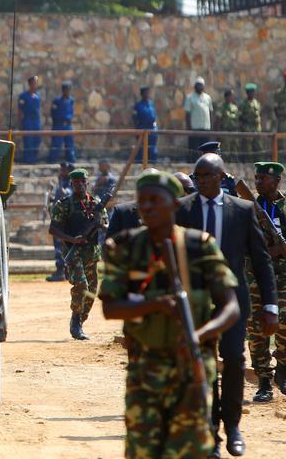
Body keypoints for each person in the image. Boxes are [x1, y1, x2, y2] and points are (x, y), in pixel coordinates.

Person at [100, 170, 240, 459]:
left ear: (176, 205)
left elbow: (231, 307)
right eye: (142, 202)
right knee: (143, 452)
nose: (147, 207)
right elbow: (110, 307)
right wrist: (157, 304)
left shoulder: (199, 247)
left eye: (155, 200)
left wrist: (199, 334)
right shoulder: (125, 247)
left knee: (190, 450)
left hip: (191, 370)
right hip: (146, 372)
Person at [175, 153, 278, 458]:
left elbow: (260, 260)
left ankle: (232, 425)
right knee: (204, 367)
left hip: (233, 301)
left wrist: (270, 304)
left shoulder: (242, 210)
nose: (201, 181)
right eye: (197, 177)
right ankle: (211, 434)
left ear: (221, 177)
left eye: (207, 176)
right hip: (196, 304)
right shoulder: (183, 210)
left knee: (233, 359)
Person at [49, 168, 108, 340]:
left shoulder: (96, 204)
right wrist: (72, 239)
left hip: (91, 253)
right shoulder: (65, 204)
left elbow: (106, 225)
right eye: (76, 182)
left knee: (91, 290)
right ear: (72, 184)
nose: (79, 185)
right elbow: (53, 229)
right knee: (81, 286)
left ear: (87, 183)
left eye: (82, 182)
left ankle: (80, 320)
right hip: (73, 253)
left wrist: (99, 224)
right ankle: (75, 323)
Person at [245, 162, 286, 403]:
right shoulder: (249, 208)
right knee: (256, 329)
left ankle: (282, 365)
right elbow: (246, 247)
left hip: (283, 276)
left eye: (263, 179)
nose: (258, 182)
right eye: (256, 178)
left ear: (276, 181)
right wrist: (274, 250)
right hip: (255, 277)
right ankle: (263, 380)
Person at [46, 162, 74, 282]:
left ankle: (62, 271)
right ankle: (63, 271)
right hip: (58, 217)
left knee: (61, 245)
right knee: (61, 245)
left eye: (63, 170)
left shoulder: (71, 183)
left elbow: (65, 195)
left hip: (65, 219)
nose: (61, 172)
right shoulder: (64, 182)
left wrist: (60, 182)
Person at [184, 76, 213, 161]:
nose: (199, 87)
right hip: (195, 129)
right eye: (198, 85)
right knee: (194, 149)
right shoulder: (190, 97)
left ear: (203, 86)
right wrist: (189, 128)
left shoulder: (207, 97)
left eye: (201, 85)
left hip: (206, 128)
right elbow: (187, 114)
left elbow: (210, 111)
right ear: (195, 86)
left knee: (206, 149)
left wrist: (211, 127)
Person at [47, 81, 75, 163]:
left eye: (69, 89)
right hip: (58, 125)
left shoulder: (71, 100)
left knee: (69, 144)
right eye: (66, 89)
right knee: (56, 144)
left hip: (68, 125)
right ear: (63, 90)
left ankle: (70, 160)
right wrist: (58, 121)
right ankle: (52, 160)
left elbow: (72, 111)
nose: (67, 91)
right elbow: (53, 113)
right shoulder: (57, 101)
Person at [18, 75, 43, 164]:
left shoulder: (38, 96)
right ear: (30, 84)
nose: (35, 85)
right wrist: (20, 123)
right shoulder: (23, 96)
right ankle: (28, 160)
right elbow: (20, 110)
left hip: (36, 121)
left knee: (37, 140)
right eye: (34, 83)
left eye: (36, 83)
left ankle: (34, 159)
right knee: (28, 141)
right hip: (28, 121)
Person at [132, 86, 158, 164]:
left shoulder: (151, 104)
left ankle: (153, 162)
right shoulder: (138, 105)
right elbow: (135, 118)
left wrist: (155, 126)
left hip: (152, 129)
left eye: (149, 92)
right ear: (142, 94)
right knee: (142, 148)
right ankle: (140, 163)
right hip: (142, 128)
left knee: (152, 148)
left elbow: (154, 115)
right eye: (146, 92)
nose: (148, 94)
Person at [238, 83, 263, 161]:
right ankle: (248, 164)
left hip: (257, 129)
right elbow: (240, 117)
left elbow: (259, 114)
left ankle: (259, 164)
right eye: (250, 92)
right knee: (248, 149)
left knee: (258, 148)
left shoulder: (257, 103)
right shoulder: (244, 104)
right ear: (247, 93)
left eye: (253, 92)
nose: (252, 93)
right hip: (247, 129)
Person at [216, 89, 240, 159]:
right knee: (225, 152)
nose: (232, 97)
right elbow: (218, 120)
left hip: (234, 132)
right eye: (231, 96)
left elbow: (237, 119)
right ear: (227, 97)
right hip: (225, 132)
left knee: (234, 150)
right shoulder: (221, 107)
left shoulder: (234, 107)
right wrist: (218, 133)